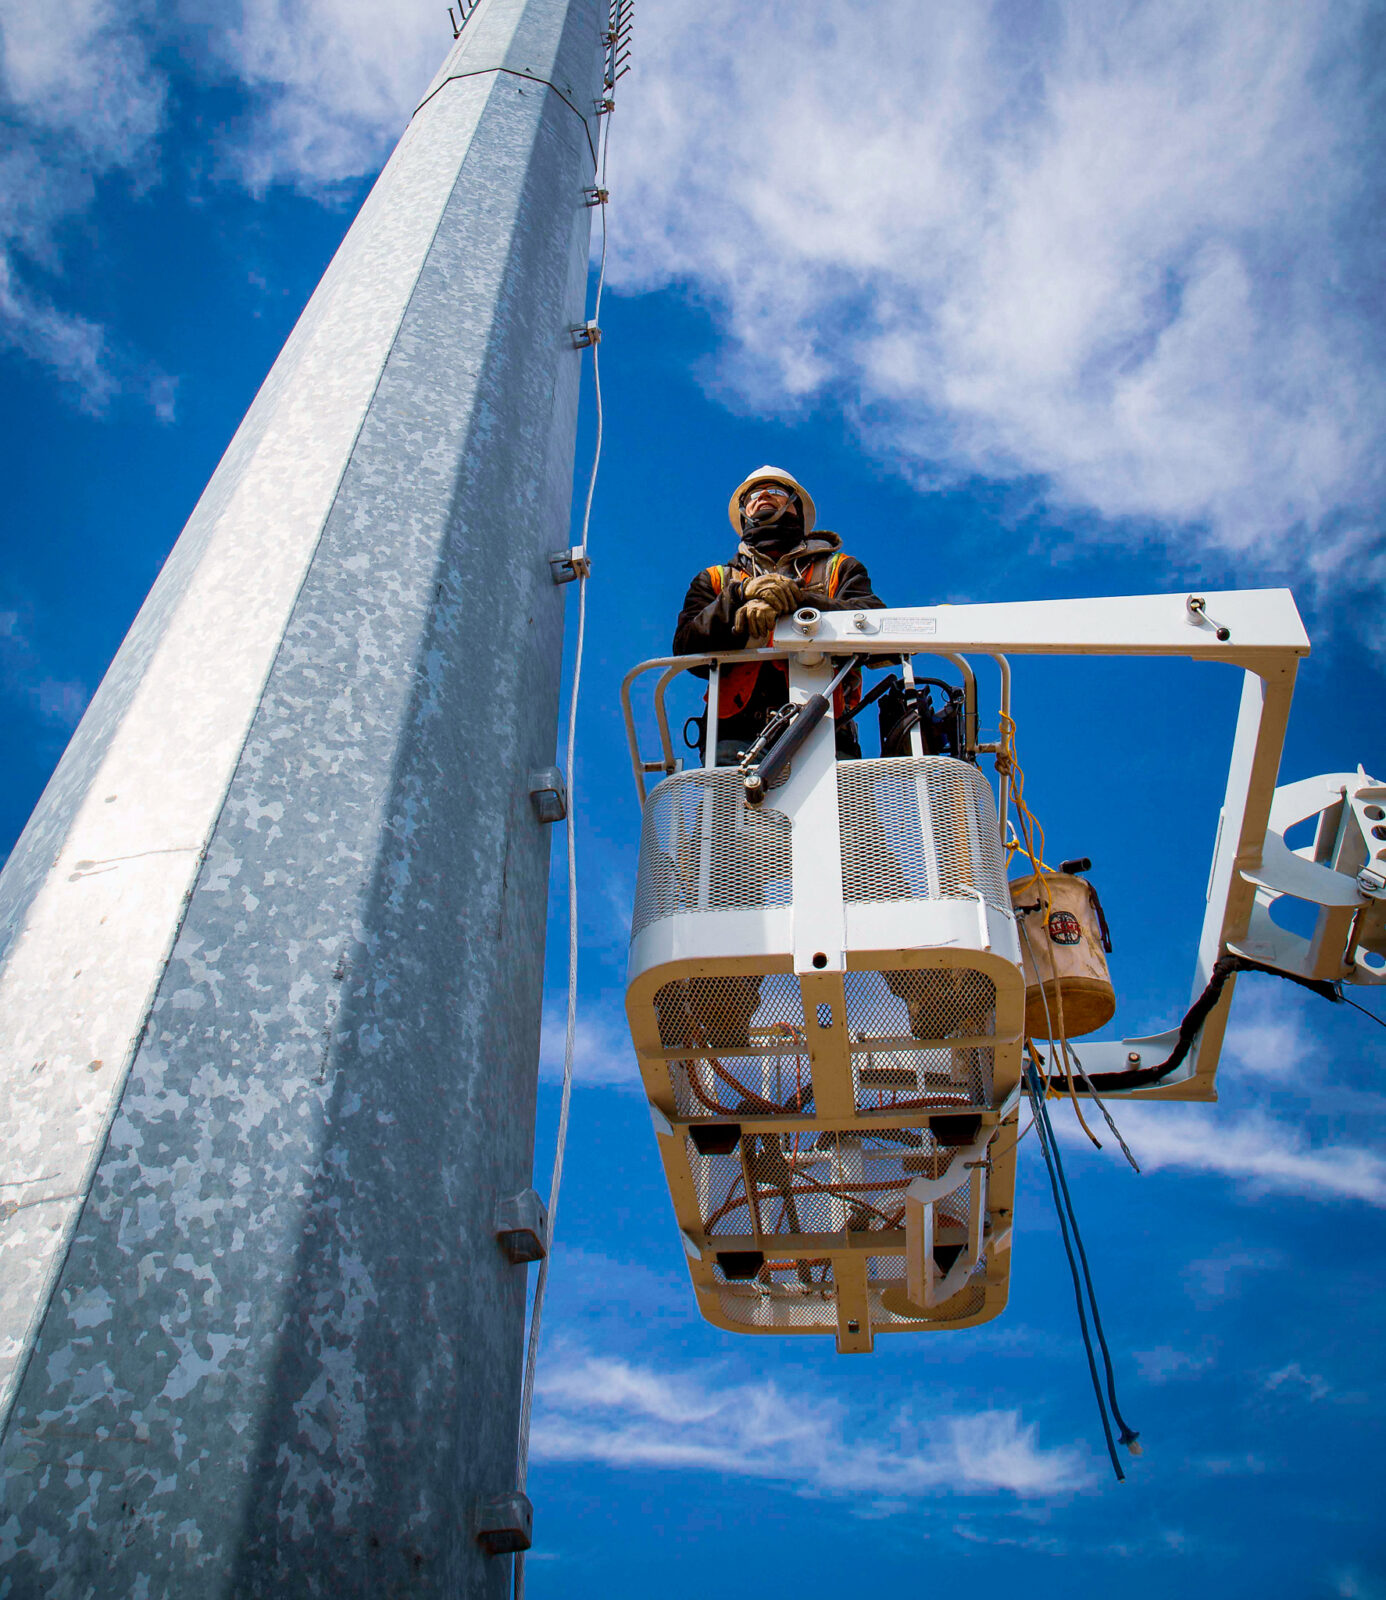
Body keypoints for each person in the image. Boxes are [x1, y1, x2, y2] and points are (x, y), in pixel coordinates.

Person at [672, 467, 885, 766]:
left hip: (825, 728)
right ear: (744, 511)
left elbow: (875, 623)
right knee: (735, 815)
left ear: (794, 506)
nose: (763, 498)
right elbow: (686, 648)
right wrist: (739, 597)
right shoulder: (716, 580)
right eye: (753, 496)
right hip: (734, 737)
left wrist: (799, 602)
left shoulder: (839, 569)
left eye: (776, 491)